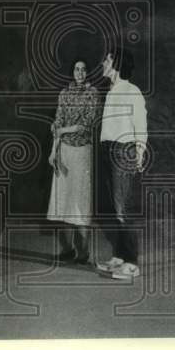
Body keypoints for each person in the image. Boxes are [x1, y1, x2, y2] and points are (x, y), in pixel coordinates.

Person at [96, 48, 149, 280]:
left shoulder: (132, 91)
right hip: (107, 149)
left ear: (116, 63)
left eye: (106, 59)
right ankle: (119, 256)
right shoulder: (111, 91)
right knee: (113, 208)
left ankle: (132, 263)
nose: (102, 63)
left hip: (123, 151)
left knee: (123, 209)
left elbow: (141, 124)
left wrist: (139, 151)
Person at [46, 59, 99, 264]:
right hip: (63, 151)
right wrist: (53, 152)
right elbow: (57, 121)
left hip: (82, 152)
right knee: (62, 202)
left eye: (83, 69)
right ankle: (67, 249)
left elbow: (85, 125)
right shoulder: (64, 94)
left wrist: (61, 130)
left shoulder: (92, 93)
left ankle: (83, 252)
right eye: (76, 69)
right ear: (72, 72)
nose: (80, 72)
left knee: (80, 203)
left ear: (87, 72)